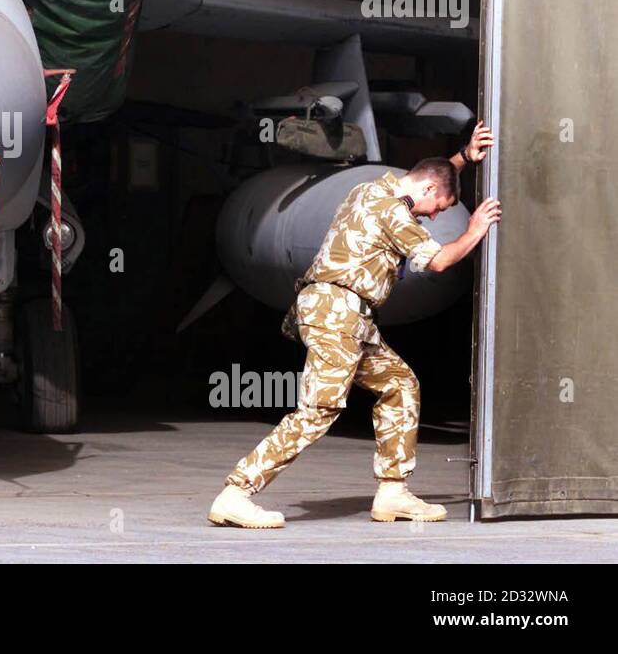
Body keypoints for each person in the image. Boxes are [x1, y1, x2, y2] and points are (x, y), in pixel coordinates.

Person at [208, 122, 500, 528]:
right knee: (318, 409)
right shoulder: (394, 213)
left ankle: (393, 492)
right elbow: (440, 260)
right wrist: (475, 230)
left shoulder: (372, 190)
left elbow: (432, 174)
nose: (435, 215)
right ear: (429, 192)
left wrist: (463, 158)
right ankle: (237, 492)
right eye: (440, 207)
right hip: (338, 314)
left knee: (400, 385)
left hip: (349, 317)